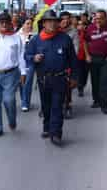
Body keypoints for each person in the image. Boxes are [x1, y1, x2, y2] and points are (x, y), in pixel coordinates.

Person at [25, 10, 77, 145]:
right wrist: (34, 58)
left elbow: (73, 59)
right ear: (43, 23)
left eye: (54, 21)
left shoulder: (65, 38)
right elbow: (27, 56)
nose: (52, 24)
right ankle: (47, 127)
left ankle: (56, 133)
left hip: (60, 78)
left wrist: (74, 78)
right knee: (46, 106)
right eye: (49, 21)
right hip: (43, 79)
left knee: (57, 106)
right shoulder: (35, 40)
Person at [0, 13, 26, 137]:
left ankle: (12, 121)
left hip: (10, 73)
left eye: (6, 22)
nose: (3, 24)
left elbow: (21, 56)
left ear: (10, 23)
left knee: (9, 100)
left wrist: (23, 72)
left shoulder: (16, 38)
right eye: (1, 22)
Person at [84, 9, 107, 114]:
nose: (97, 20)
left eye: (100, 18)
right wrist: (87, 55)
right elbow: (85, 41)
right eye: (96, 18)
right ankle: (96, 100)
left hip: (106, 59)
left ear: (106, 18)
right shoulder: (90, 28)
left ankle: (105, 104)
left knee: (104, 81)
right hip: (93, 58)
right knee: (95, 81)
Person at [59, 11, 79, 119]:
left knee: (67, 86)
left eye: (67, 18)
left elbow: (75, 48)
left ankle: (67, 105)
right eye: (63, 19)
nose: (65, 21)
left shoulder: (73, 32)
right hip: (55, 63)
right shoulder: (55, 30)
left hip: (68, 63)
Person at [18, 18, 35, 112]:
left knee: (28, 82)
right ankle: (24, 99)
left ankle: (25, 102)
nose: (30, 25)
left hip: (30, 62)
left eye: (31, 24)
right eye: (27, 23)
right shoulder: (17, 35)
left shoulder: (34, 35)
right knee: (21, 82)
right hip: (19, 62)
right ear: (23, 25)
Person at [76, 20, 89, 97]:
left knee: (85, 74)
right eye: (79, 24)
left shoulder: (88, 33)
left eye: (82, 24)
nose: (80, 26)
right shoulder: (75, 33)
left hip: (87, 57)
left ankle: (82, 85)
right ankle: (80, 88)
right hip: (78, 57)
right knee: (80, 74)